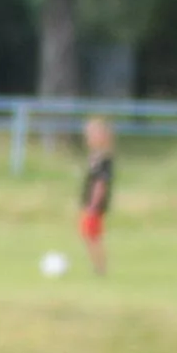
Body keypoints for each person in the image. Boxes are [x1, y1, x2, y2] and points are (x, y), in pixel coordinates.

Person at [79, 116, 114, 276]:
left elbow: (100, 184)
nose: (88, 138)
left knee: (92, 235)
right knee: (88, 234)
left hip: (95, 204)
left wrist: (93, 204)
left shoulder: (104, 160)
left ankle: (100, 268)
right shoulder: (95, 157)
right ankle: (97, 266)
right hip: (90, 202)